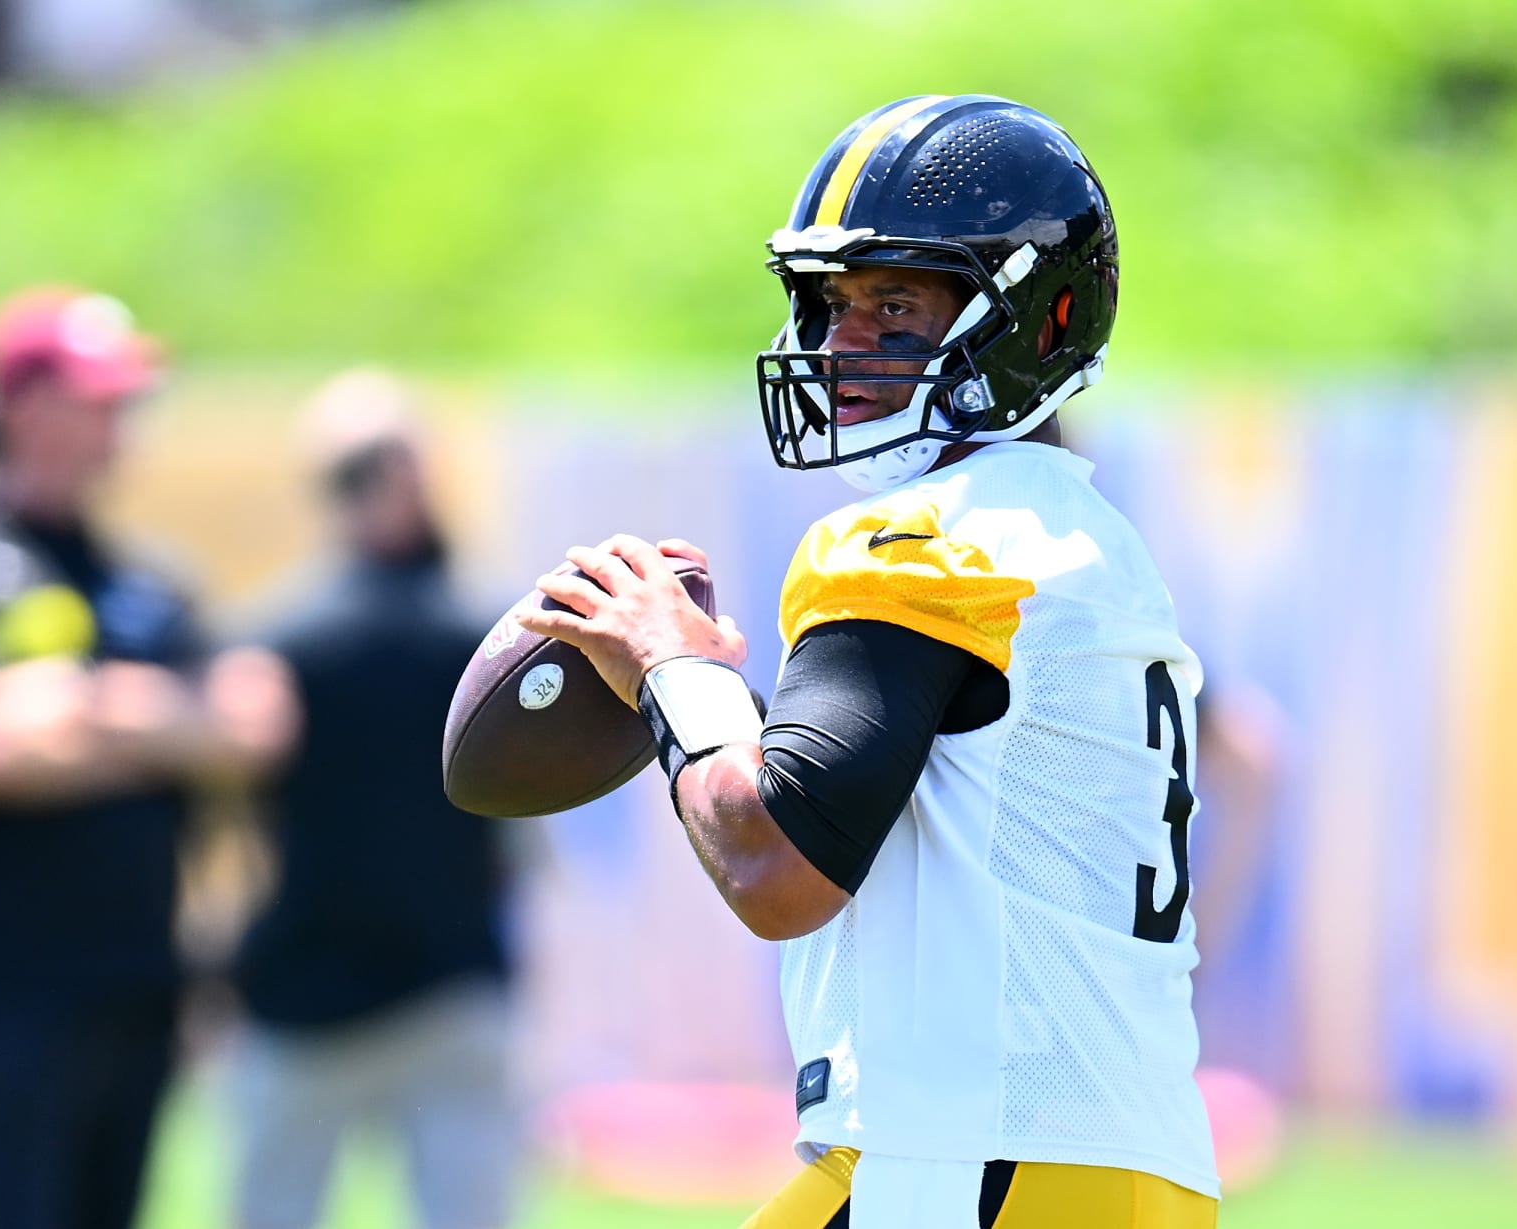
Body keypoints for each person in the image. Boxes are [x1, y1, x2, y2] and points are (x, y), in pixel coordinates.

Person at [515, 95, 1221, 1227]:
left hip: (969, 1161)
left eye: (893, 304)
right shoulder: (1080, 538)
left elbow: (777, 867)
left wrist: (669, 670)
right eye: (832, 304)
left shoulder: (925, 539)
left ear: (1037, 319)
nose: (841, 344)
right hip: (1097, 1164)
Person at [0, 286, 295, 1229]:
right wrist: (167, 728)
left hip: (139, 993)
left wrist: (82, 707)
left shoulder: (148, 574)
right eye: (97, 396)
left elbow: (253, 729)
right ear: (20, 404)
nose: (123, 416)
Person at [229, 370, 520, 1229]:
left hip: (309, 982)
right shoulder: (491, 634)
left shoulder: (278, 637)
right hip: (445, 977)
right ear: (407, 473)